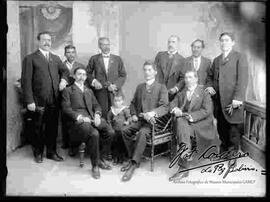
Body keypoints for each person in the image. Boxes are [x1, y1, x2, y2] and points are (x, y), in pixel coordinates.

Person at [21, 31, 69, 163]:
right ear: (38, 41)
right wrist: (29, 100)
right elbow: (26, 81)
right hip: (37, 101)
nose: (47, 42)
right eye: (44, 40)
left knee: (52, 127)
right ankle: (38, 153)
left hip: (54, 99)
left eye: (49, 40)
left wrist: (63, 80)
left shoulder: (55, 58)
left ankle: (51, 152)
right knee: (37, 128)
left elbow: (65, 71)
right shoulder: (30, 58)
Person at [61, 67, 115, 179]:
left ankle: (101, 158)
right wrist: (79, 117)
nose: (82, 77)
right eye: (79, 74)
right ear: (74, 76)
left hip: (92, 119)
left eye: (84, 75)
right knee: (94, 134)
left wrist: (97, 114)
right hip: (78, 123)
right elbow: (66, 109)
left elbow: (96, 105)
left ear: (86, 77)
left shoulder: (89, 90)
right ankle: (95, 166)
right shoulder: (68, 90)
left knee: (110, 131)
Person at [205, 32, 248, 167]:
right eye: (222, 40)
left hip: (233, 102)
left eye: (227, 40)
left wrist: (238, 98)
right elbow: (210, 78)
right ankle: (223, 152)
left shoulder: (239, 57)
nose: (224, 43)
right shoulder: (217, 59)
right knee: (222, 129)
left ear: (233, 42)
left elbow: (243, 79)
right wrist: (210, 87)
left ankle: (232, 156)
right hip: (219, 101)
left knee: (233, 130)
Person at [120, 60, 168, 182]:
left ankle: (134, 164)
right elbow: (132, 104)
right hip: (141, 120)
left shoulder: (161, 87)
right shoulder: (140, 87)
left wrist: (152, 113)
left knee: (142, 132)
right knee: (124, 130)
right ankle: (134, 157)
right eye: (145, 70)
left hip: (153, 122)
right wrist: (134, 114)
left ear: (155, 72)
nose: (147, 73)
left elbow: (165, 107)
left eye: (149, 70)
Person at [169, 70, 219, 181]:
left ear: (196, 79)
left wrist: (190, 116)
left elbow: (207, 111)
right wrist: (175, 108)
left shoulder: (203, 92)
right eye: (186, 78)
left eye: (190, 77)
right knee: (181, 123)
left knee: (181, 123)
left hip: (201, 123)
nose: (187, 80)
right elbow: (172, 103)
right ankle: (184, 166)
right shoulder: (182, 92)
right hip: (186, 123)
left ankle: (183, 166)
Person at [86, 37, 127, 121]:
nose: (107, 47)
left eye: (108, 44)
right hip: (100, 92)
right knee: (103, 116)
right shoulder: (94, 59)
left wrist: (115, 85)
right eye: (104, 45)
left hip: (114, 93)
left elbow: (123, 75)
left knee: (117, 116)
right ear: (99, 46)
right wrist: (94, 81)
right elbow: (87, 73)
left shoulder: (117, 59)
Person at [61, 45, 86, 150]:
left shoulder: (80, 65)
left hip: (76, 96)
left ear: (75, 53)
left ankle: (75, 144)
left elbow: (84, 79)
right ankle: (66, 142)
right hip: (65, 94)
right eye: (68, 52)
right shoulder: (61, 65)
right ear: (65, 54)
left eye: (72, 52)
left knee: (76, 118)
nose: (71, 54)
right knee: (65, 118)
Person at [154, 35, 186, 101]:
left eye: (173, 42)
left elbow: (183, 78)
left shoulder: (182, 60)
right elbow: (153, 72)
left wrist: (176, 88)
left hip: (171, 94)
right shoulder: (160, 55)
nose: (170, 44)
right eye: (169, 42)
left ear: (178, 44)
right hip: (157, 92)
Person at [107, 91, 131, 165]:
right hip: (114, 130)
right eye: (115, 101)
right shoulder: (112, 110)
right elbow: (108, 119)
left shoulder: (124, 109)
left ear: (122, 101)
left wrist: (127, 122)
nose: (117, 103)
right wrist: (110, 126)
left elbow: (129, 118)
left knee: (122, 142)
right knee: (114, 143)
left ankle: (122, 157)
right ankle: (115, 157)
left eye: (119, 101)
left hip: (122, 130)